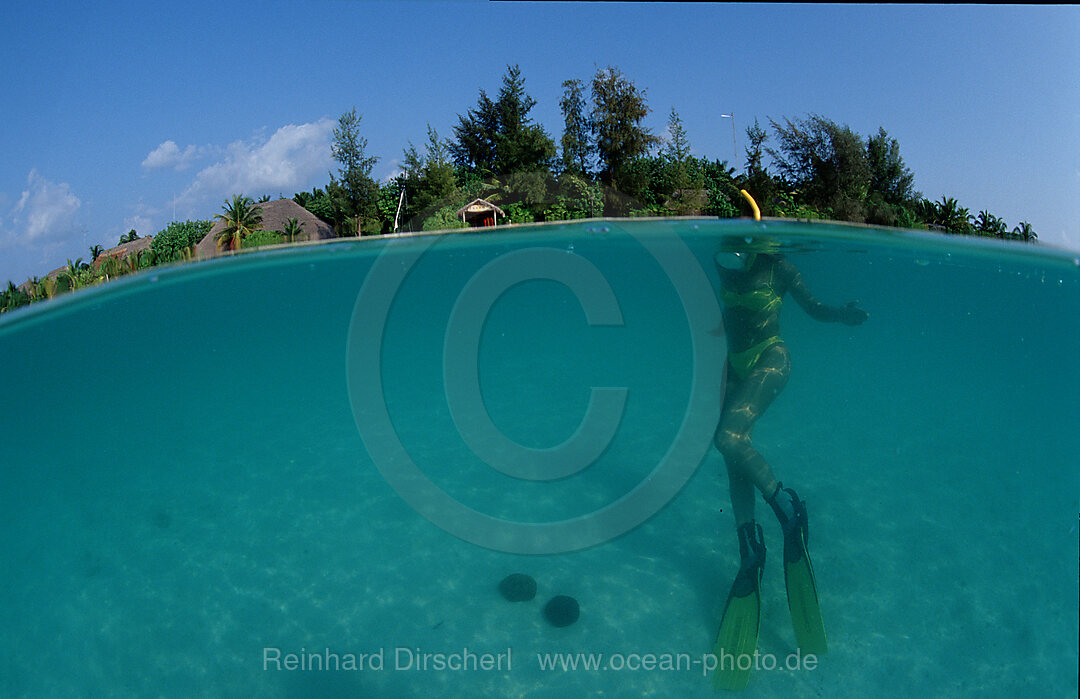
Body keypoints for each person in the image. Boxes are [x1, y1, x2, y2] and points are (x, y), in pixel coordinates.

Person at [711, 240, 867, 690]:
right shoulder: (726, 259)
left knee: (729, 437)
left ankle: (786, 505)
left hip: (771, 359)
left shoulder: (781, 267)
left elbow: (813, 308)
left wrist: (840, 314)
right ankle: (748, 544)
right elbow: (733, 315)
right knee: (729, 451)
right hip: (735, 365)